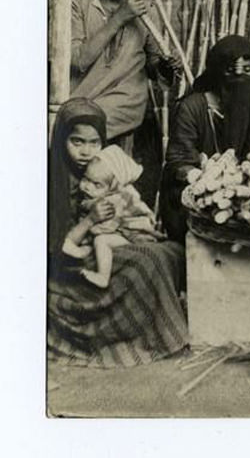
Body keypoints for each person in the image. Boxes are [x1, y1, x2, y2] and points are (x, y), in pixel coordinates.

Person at [48, 99, 188, 367]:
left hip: (101, 243)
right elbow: (54, 247)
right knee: (147, 262)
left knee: (170, 251)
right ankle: (144, 341)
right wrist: (90, 219)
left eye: (94, 143)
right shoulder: (50, 177)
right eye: (77, 142)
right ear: (62, 139)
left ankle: (154, 335)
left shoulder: (104, 172)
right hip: (69, 261)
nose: (86, 152)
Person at [160, 35, 250, 242]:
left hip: (249, 196)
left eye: (247, 70)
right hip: (201, 192)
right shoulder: (194, 107)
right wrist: (208, 180)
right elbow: (179, 161)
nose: (239, 77)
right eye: (230, 70)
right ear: (216, 73)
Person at [70, 0, 178, 150]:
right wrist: (120, 17)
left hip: (125, 101)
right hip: (83, 95)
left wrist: (165, 68)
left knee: (81, 128)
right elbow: (78, 61)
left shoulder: (146, 11)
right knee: (72, 123)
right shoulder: (79, 6)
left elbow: (153, 65)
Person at [63, 144, 164, 288]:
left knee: (101, 240)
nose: (87, 187)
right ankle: (82, 251)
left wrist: (84, 238)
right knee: (99, 239)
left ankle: (102, 276)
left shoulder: (115, 200)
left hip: (137, 236)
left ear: (113, 187)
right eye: (86, 179)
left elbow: (105, 227)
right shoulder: (95, 196)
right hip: (121, 231)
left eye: (97, 185)